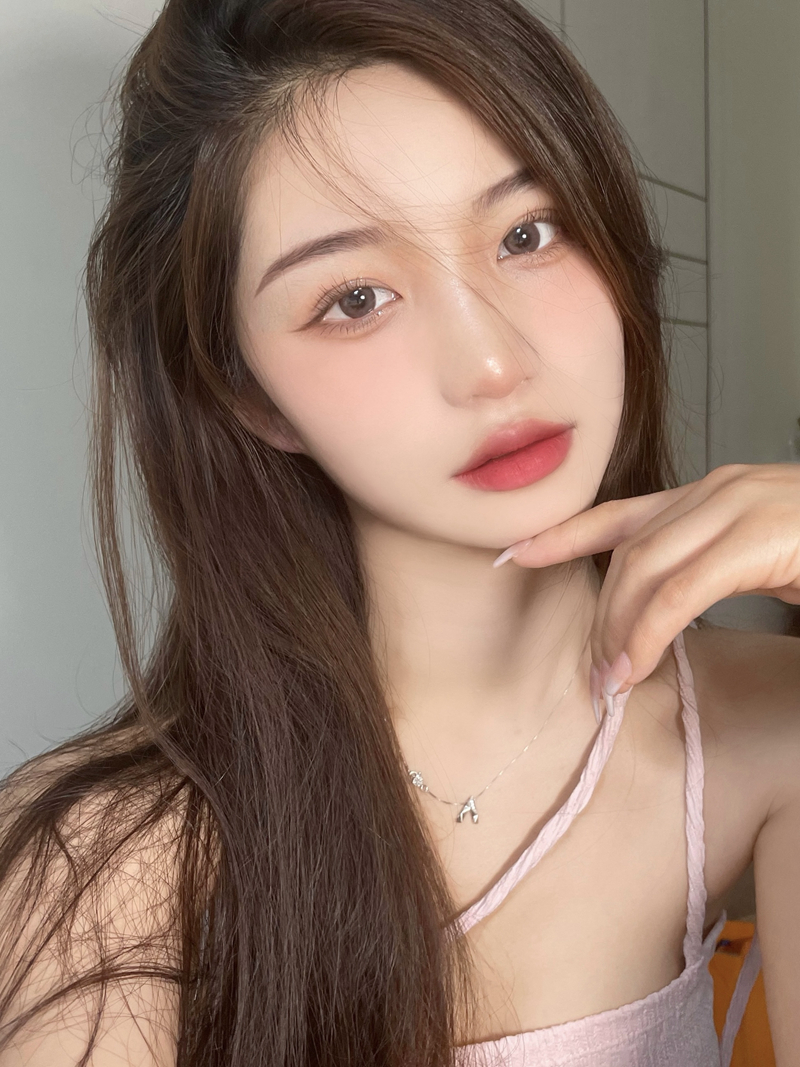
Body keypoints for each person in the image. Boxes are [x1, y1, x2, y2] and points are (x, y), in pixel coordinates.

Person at [0, 0, 798, 1064]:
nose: (491, 364)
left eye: (526, 233)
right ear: (247, 394)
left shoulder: (767, 727)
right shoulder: (105, 869)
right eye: (356, 297)